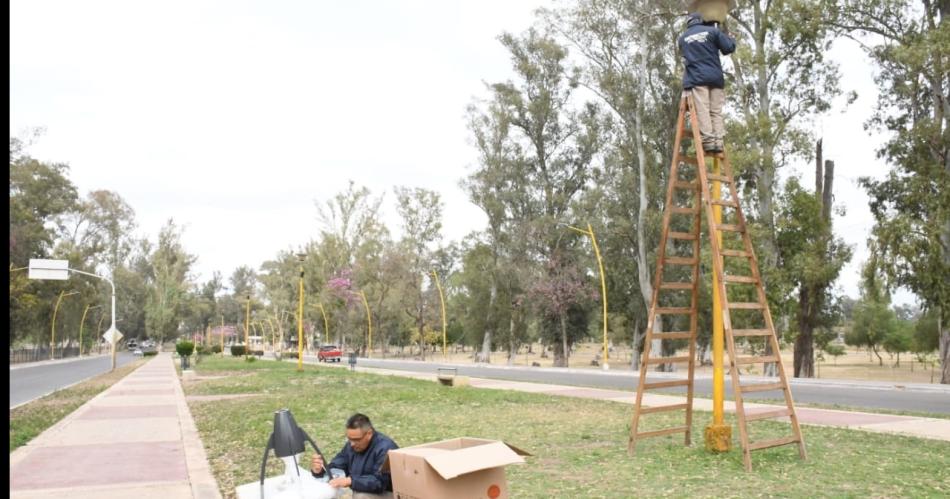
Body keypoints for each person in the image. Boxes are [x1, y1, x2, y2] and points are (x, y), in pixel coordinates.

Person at [677, 12, 736, 154]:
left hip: (697, 79)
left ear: (688, 23)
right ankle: (718, 142)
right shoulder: (713, 31)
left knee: (703, 109)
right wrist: (731, 39)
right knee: (716, 111)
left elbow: (685, 54)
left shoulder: (683, 38)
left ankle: (709, 142)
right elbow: (728, 48)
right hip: (715, 78)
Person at [311, 413, 399, 498]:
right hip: (371, 491)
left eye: (356, 439)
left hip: (392, 494)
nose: (352, 444)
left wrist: (351, 481)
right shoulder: (353, 445)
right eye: (350, 439)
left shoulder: (385, 448)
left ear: (369, 433)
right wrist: (320, 470)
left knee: (361, 496)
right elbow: (337, 466)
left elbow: (379, 483)